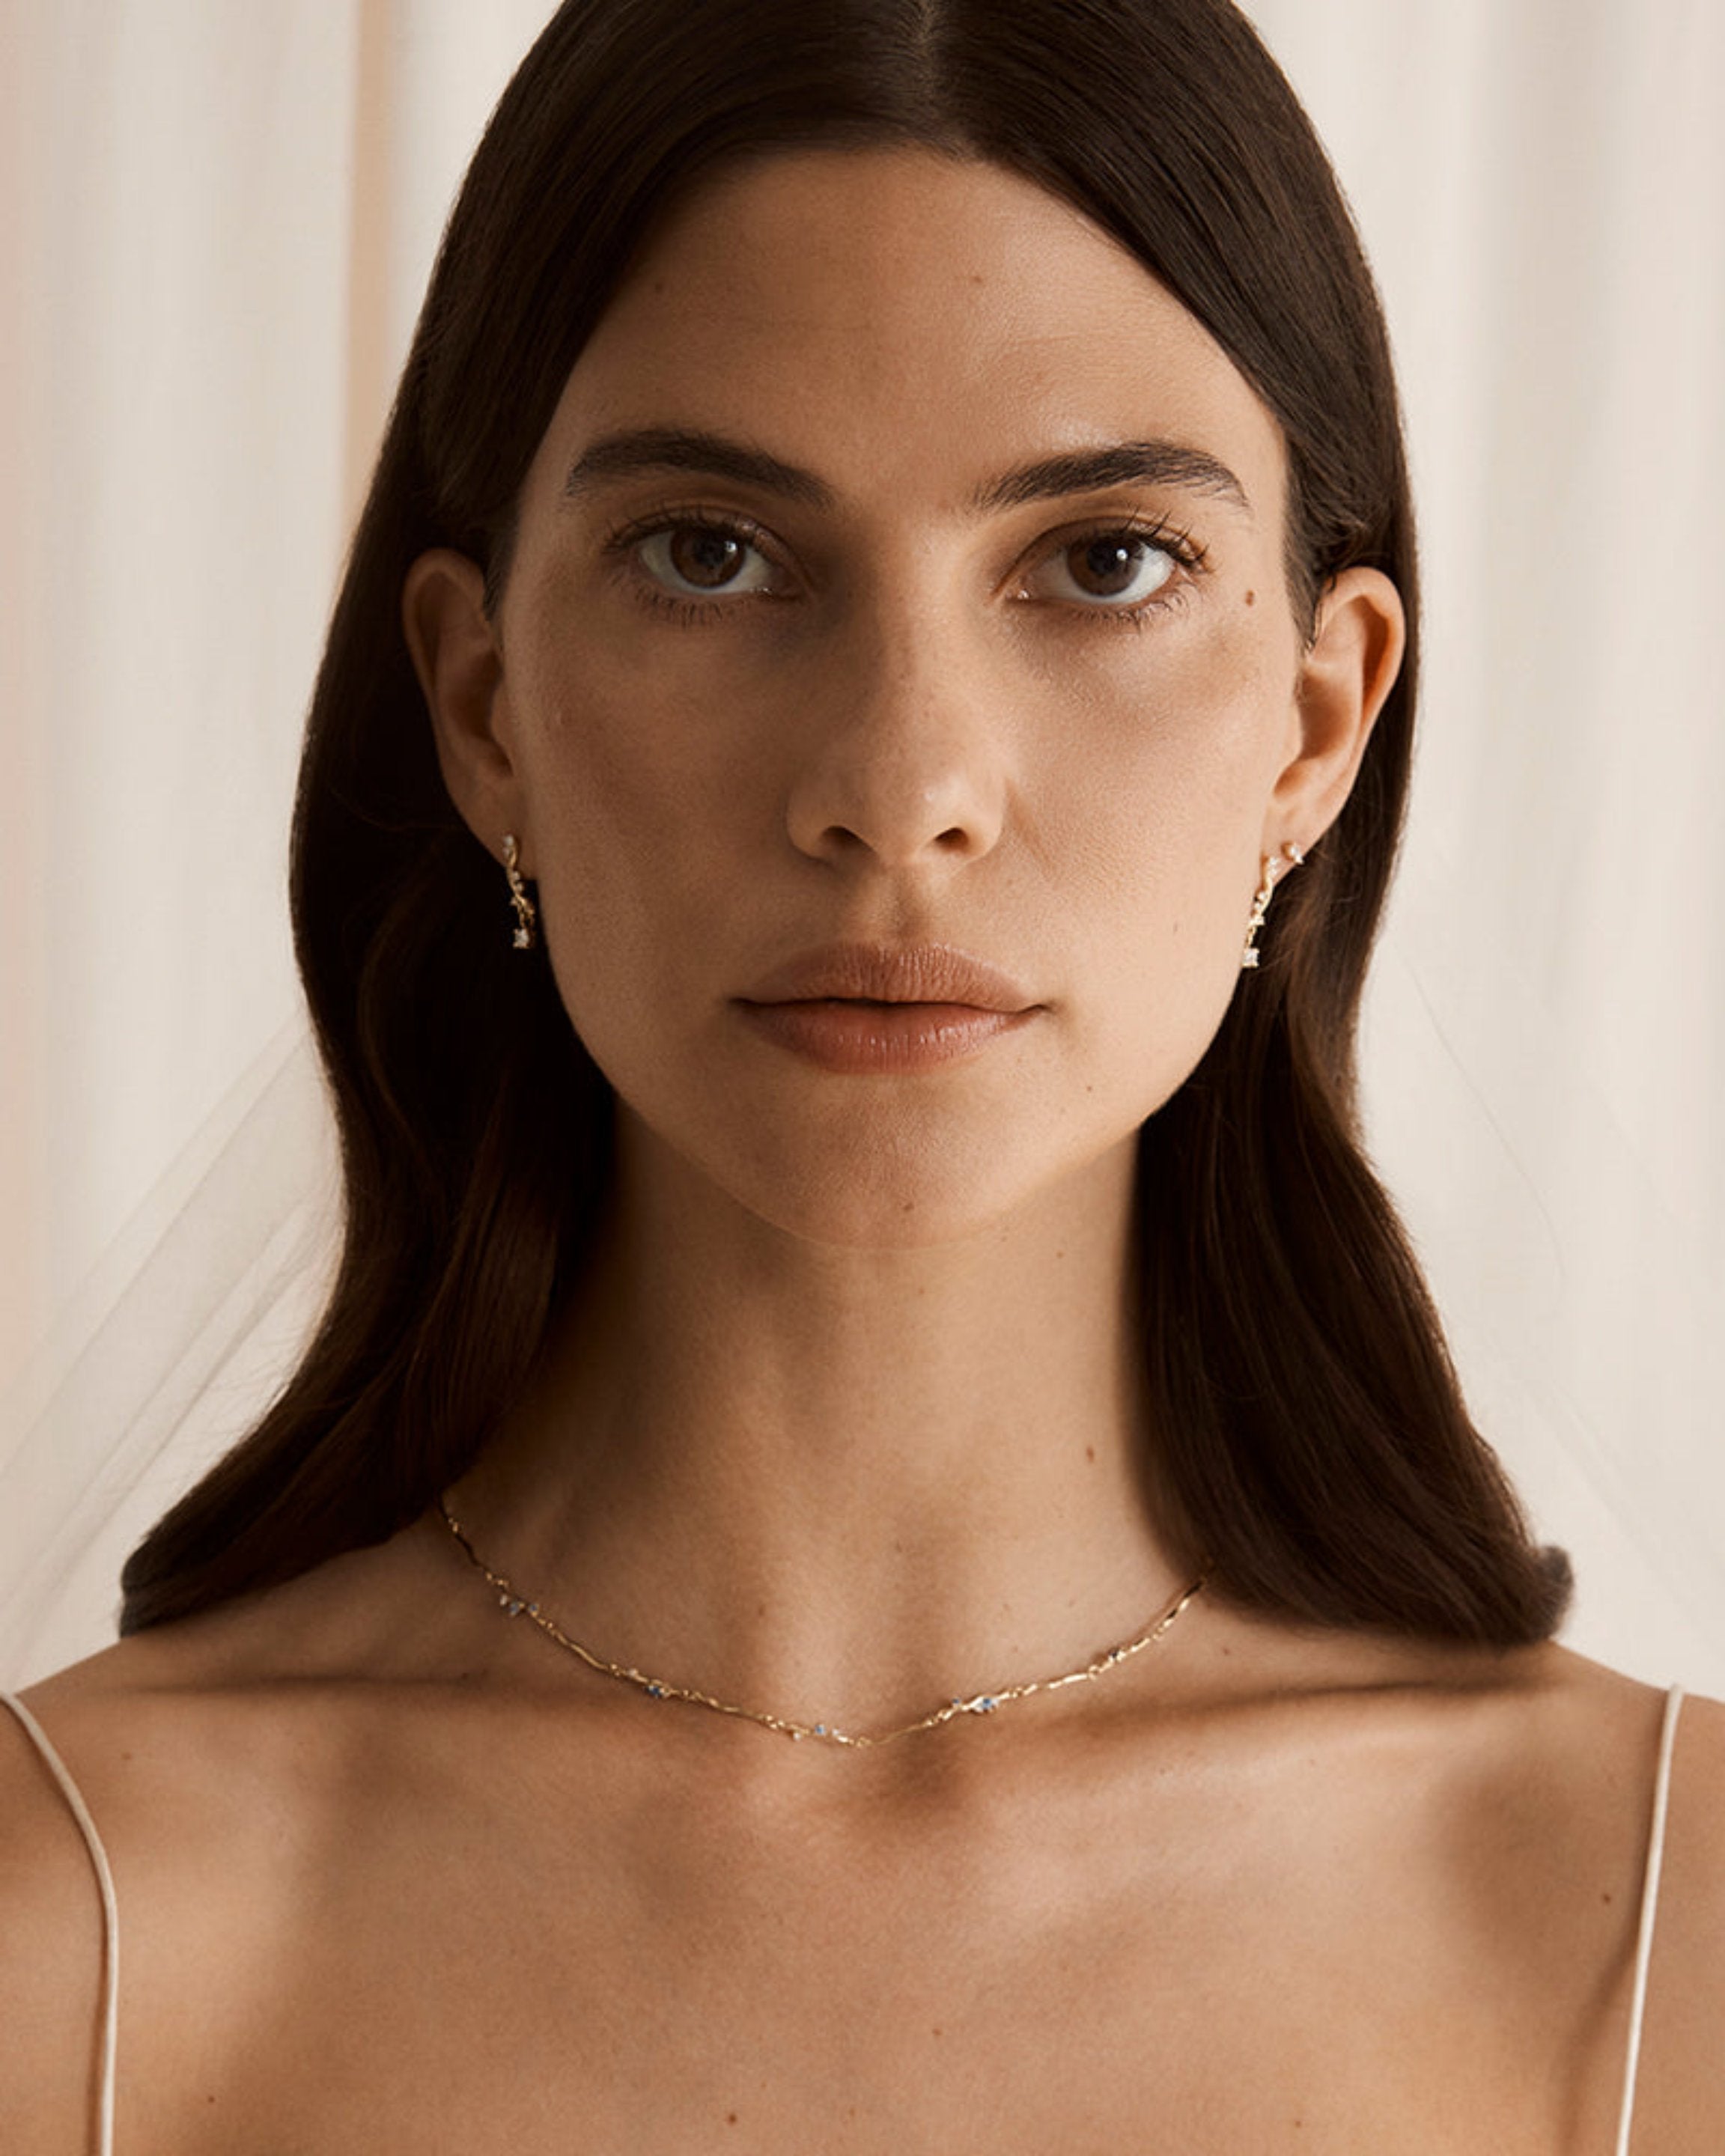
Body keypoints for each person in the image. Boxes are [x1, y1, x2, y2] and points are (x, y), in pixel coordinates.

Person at [3, 0, 1720, 2147]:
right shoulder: (68, 1929)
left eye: (1102, 562)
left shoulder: (1674, 1936)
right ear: (481, 702)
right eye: (713, 554)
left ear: (1316, 725)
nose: (900, 788)